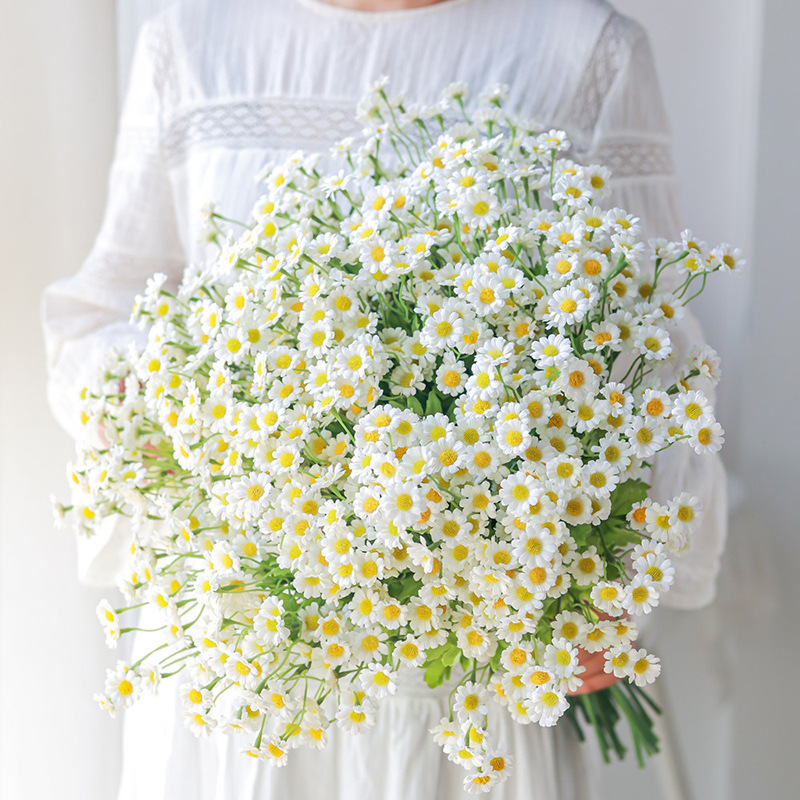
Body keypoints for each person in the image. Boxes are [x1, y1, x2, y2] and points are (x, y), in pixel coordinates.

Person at [42, 1, 727, 797]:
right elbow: (106, 313)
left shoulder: (584, 49)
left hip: (479, 666)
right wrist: (209, 404)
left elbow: (653, 348)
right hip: (248, 650)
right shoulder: (192, 42)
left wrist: (609, 584)